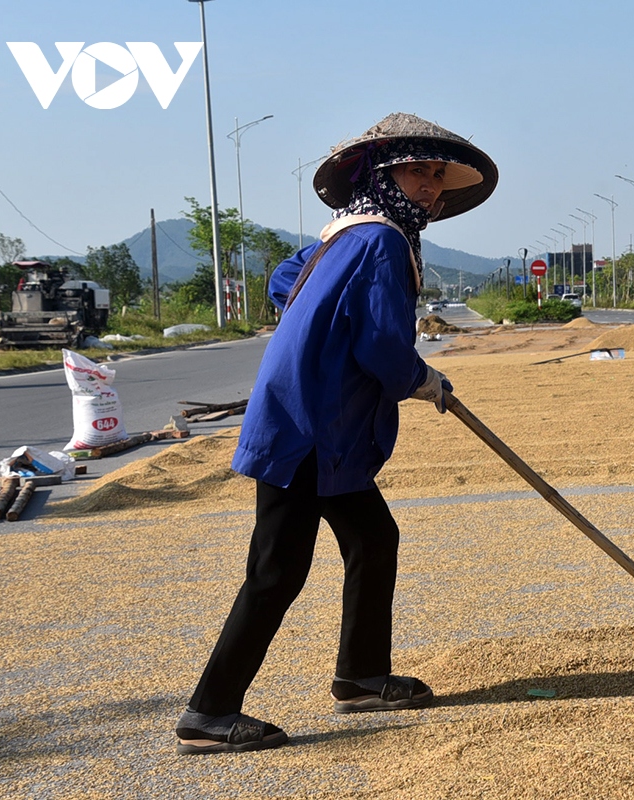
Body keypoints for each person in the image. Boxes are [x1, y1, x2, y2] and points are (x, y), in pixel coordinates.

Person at [175, 113, 498, 754]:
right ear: (382, 176)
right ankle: (208, 714)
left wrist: (322, 318)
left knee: (374, 538)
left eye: (437, 175)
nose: (431, 185)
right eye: (416, 171)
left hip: (330, 431)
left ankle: (361, 676)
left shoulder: (345, 234)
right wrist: (421, 378)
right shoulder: (375, 239)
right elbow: (381, 342)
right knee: (276, 570)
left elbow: (281, 281)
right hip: (306, 426)